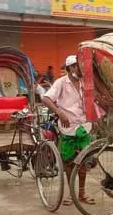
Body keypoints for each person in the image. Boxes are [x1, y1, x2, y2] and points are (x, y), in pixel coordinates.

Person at [42, 55, 98, 206]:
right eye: (76, 66)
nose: (79, 69)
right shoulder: (60, 83)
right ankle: (71, 193)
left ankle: (81, 193)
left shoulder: (84, 83)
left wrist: (95, 118)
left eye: (80, 66)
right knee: (69, 163)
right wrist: (59, 113)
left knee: (84, 162)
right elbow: (46, 98)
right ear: (70, 68)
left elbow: (92, 101)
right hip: (68, 128)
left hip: (84, 127)